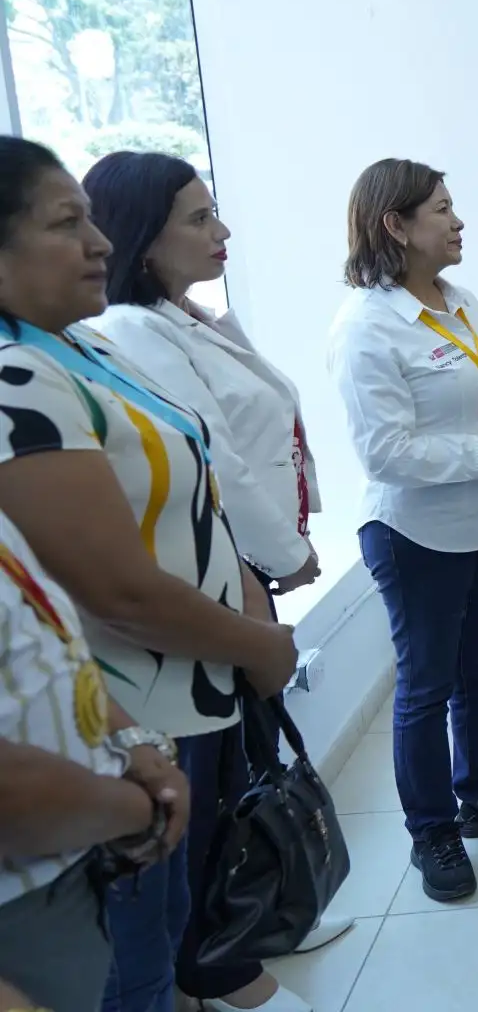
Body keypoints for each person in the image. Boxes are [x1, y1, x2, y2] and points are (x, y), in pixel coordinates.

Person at [0, 137, 296, 1012]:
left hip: (167, 705)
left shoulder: (83, 350)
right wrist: (257, 645)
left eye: (94, 221)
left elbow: (198, 486)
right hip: (139, 695)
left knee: (165, 932)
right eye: (67, 223)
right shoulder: (18, 379)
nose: (98, 242)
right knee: (131, 965)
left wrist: (247, 608)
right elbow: (114, 591)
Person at [84, 152, 348, 1011]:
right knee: (208, 796)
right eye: (199, 218)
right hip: (208, 587)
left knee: (241, 774)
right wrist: (279, 558)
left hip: (239, 576)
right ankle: (220, 962)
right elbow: (215, 464)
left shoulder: (185, 317)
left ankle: (238, 935)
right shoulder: (130, 332)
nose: (221, 231)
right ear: (142, 238)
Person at [327, 158, 478, 906]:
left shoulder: (458, 299)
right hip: (418, 534)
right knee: (426, 688)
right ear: (395, 225)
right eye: (442, 210)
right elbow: (385, 453)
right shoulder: (367, 326)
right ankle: (433, 830)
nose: (459, 222)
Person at [0, 508, 190, 1012]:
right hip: (23, 897)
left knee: (147, 971)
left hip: (76, 855)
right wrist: (138, 813)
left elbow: (47, 650)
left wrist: (135, 744)